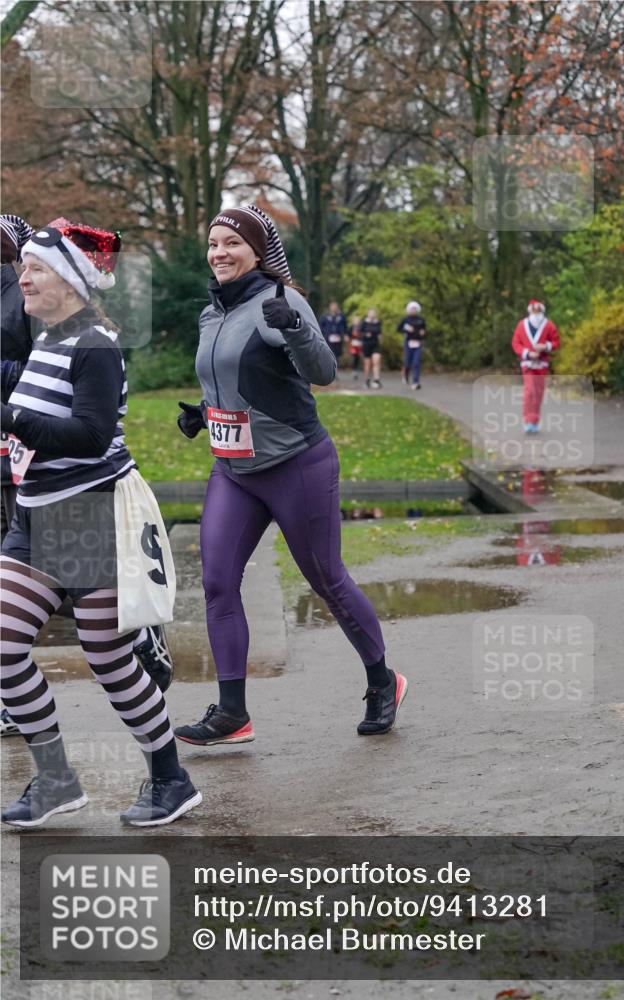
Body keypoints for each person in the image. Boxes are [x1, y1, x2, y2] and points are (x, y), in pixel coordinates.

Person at [173, 204, 407, 746]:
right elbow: (239, 384)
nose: (219, 253)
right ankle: (233, 713)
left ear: (257, 251)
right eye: (213, 244)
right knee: (216, 583)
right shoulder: (211, 313)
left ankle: (382, 681)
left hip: (296, 465)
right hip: (234, 471)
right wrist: (205, 415)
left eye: (231, 243)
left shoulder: (280, 301)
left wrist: (298, 328)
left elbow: (322, 373)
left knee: (326, 580)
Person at [0, 221, 201, 827]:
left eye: (33, 268)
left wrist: (8, 417)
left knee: (108, 660)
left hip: (89, 516)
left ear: (68, 279)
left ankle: (171, 778)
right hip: (35, 519)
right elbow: (33, 413)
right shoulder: (51, 337)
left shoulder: (94, 343)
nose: (21, 276)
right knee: (5, 650)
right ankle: (57, 778)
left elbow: (89, 436)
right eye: (23, 267)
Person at [0, 215, 35, 738]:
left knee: (58, 570)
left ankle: (139, 634)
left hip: (23, 449)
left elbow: (46, 367)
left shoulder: (24, 296)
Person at [511, 299, 560, 432]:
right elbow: (516, 343)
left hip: (542, 364)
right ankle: (527, 420)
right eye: (534, 310)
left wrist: (545, 346)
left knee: (538, 392)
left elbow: (556, 342)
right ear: (530, 310)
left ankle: (534, 421)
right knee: (530, 390)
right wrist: (527, 353)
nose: (536, 312)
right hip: (527, 363)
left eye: (538, 310)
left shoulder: (549, 325)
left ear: (542, 310)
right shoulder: (522, 325)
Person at [398, 301, 426, 389]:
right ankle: (405, 375)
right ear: (408, 310)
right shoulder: (405, 320)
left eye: (415, 309)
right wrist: (406, 330)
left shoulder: (421, 320)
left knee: (416, 362)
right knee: (407, 362)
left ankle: (415, 382)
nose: (413, 310)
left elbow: (424, 331)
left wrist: (423, 333)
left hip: (418, 343)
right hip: (408, 343)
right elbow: (399, 329)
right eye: (411, 309)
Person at [319, 301, 347, 370]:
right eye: (332, 306)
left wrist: (345, 334)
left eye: (335, 306)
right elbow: (320, 326)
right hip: (328, 337)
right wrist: (324, 333)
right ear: (330, 307)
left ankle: (335, 366)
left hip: (338, 337)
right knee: (331, 352)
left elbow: (345, 325)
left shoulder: (341, 316)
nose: (334, 308)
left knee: (338, 353)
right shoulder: (325, 316)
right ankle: (331, 367)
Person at [361, 307, 382, 388]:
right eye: (371, 313)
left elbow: (380, 333)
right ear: (368, 314)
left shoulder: (378, 322)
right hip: (366, 344)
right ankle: (367, 380)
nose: (372, 315)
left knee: (376, 361)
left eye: (374, 313)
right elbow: (360, 333)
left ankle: (377, 380)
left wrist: (380, 341)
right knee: (367, 364)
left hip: (375, 344)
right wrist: (365, 335)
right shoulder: (364, 323)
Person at [347, 314, 363, 379]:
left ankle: (356, 369)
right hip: (353, 344)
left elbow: (362, 335)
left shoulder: (361, 327)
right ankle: (354, 370)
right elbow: (348, 334)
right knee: (354, 357)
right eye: (355, 320)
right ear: (353, 321)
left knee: (357, 358)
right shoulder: (351, 327)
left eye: (358, 320)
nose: (356, 321)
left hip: (359, 344)